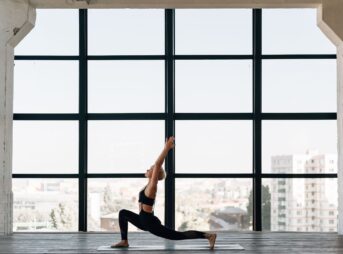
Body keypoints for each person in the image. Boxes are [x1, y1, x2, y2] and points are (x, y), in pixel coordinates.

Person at [111, 136, 217, 249]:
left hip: (150, 223)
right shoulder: (147, 186)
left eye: (151, 169)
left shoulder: (152, 187)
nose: (148, 169)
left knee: (178, 236)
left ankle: (209, 236)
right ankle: (124, 241)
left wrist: (166, 148)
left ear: (155, 175)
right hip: (142, 220)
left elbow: (157, 165)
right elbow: (155, 168)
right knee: (123, 213)